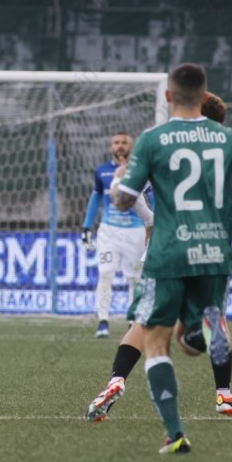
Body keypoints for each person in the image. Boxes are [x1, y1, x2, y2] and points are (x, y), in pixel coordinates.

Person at [85, 92, 232, 423]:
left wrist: (150, 221)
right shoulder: (225, 153)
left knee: (145, 323)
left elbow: (130, 192)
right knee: (214, 321)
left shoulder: (163, 146)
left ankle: (115, 380)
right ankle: (224, 394)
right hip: (209, 251)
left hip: (166, 246)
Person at [81, 132, 149, 338]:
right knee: (105, 274)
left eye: (124, 143)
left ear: (131, 147)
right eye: (116, 143)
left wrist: (154, 224)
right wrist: (86, 227)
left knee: (134, 278)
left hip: (136, 232)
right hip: (109, 232)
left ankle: (132, 322)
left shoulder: (141, 170)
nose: (120, 146)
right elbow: (95, 198)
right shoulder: (102, 171)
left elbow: (152, 199)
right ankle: (103, 321)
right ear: (111, 146)